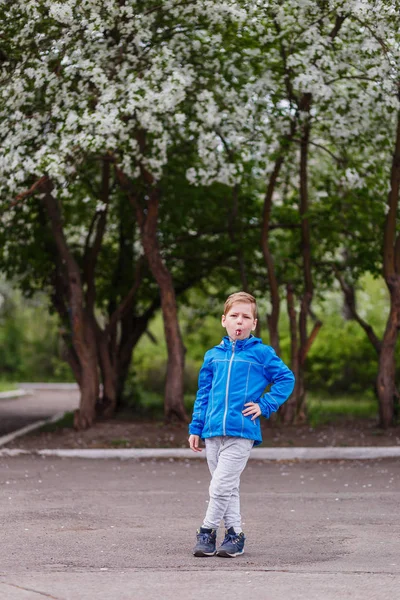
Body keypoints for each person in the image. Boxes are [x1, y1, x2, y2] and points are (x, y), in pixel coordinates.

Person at [188, 291, 295, 558]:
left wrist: (265, 405)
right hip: (212, 433)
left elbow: (286, 379)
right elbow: (204, 393)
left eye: (246, 317)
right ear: (224, 320)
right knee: (229, 487)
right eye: (234, 316)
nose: (240, 321)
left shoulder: (261, 354)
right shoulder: (213, 356)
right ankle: (235, 537)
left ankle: (207, 531)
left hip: (242, 432)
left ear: (253, 324)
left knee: (220, 487)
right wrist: (195, 427)